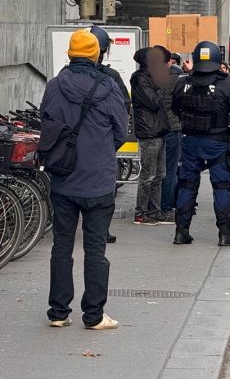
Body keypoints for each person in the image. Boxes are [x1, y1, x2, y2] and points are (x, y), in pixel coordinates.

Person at [41, 29, 128, 329]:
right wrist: (101, 152)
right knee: (95, 249)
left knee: (61, 246)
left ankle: (58, 312)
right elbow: (120, 130)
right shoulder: (108, 86)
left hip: (63, 179)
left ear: (69, 54)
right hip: (99, 181)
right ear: (97, 54)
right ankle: (93, 315)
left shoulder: (54, 86)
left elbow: (47, 123)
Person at [171, 41, 230, 246]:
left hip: (190, 141)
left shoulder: (183, 83)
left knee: (186, 185)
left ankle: (181, 231)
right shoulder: (226, 84)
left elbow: (175, 108)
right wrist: (228, 128)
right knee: (221, 186)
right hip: (217, 141)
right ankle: (225, 233)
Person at [89, 26, 132, 243]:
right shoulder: (111, 77)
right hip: (102, 146)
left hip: (73, 146)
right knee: (105, 189)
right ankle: (101, 230)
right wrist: (112, 143)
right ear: (104, 51)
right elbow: (123, 111)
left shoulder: (63, 77)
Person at [130, 47, 171, 226]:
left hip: (158, 130)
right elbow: (153, 102)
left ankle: (155, 211)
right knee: (148, 176)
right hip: (149, 132)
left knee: (159, 174)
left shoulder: (151, 78)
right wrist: (160, 87)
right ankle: (141, 213)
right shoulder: (140, 79)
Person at [160, 49, 183, 225]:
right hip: (174, 126)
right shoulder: (177, 76)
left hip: (157, 127)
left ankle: (158, 203)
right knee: (171, 168)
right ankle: (167, 206)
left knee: (156, 169)